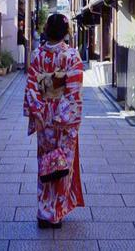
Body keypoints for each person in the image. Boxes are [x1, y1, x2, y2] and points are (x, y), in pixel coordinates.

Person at [23, 13, 84, 228]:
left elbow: (32, 85)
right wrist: (64, 116)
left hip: (44, 118)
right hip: (64, 120)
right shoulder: (71, 56)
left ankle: (43, 211)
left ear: (48, 31)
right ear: (66, 32)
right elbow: (74, 90)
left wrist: (39, 111)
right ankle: (55, 213)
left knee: (46, 164)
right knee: (61, 165)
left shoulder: (38, 55)